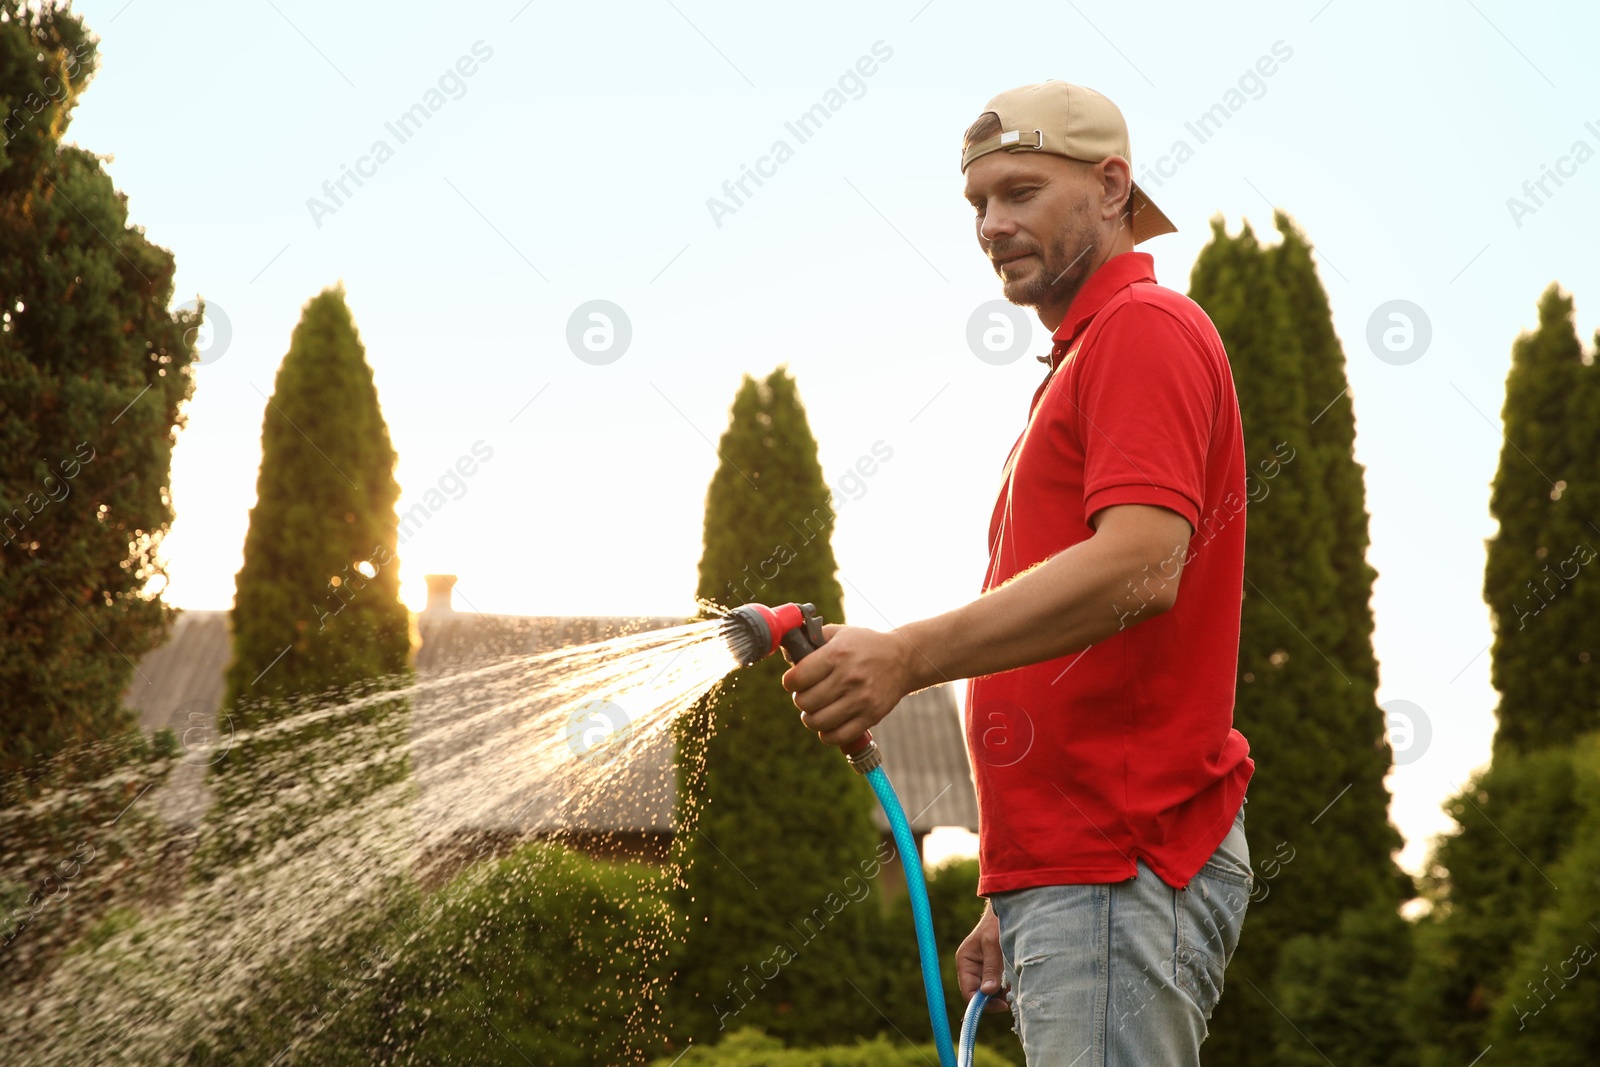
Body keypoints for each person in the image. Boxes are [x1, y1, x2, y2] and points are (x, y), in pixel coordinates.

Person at [780, 80, 1255, 1065]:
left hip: (1122, 859)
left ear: (1112, 185)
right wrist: (1015, 881)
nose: (993, 224)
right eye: (977, 204)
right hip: (1078, 870)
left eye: (1021, 191)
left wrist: (908, 652)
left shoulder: (1143, 330)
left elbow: (1140, 564)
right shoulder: (1080, 362)